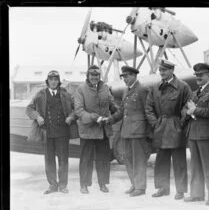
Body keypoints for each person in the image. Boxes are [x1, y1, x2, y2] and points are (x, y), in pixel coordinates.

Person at [145, 59, 192, 200]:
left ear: (172, 70)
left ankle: (180, 190)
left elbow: (188, 105)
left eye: (164, 70)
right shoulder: (155, 88)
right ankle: (162, 188)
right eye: (160, 70)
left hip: (176, 127)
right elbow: (149, 108)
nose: (161, 73)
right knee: (161, 161)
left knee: (179, 161)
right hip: (161, 128)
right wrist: (155, 124)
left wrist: (180, 123)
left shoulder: (183, 87)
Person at [26, 70, 78, 194]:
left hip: (63, 133)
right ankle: (53, 185)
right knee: (49, 160)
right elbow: (29, 108)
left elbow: (77, 108)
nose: (53, 82)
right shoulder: (40, 94)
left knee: (63, 160)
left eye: (55, 80)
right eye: (51, 79)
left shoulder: (66, 94)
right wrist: (37, 116)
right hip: (47, 133)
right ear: (47, 81)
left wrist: (71, 116)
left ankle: (63, 185)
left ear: (58, 81)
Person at [104, 66, 150, 197]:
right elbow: (122, 111)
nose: (124, 79)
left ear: (134, 76)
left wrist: (148, 131)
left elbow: (148, 110)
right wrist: (110, 119)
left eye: (127, 76)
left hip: (138, 131)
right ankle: (135, 184)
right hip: (126, 130)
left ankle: (141, 187)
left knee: (139, 159)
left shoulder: (142, 90)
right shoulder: (126, 91)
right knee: (128, 159)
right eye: (123, 77)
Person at [74, 65, 118, 194]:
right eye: (92, 75)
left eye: (97, 75)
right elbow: (79, 110)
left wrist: (119, 112)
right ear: (87, 76)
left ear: (100, 76)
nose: (94, 77)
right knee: (86, 159)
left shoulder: (105, 87)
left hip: (103, 130)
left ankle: (103, 183)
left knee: (104, 158)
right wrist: (93, 117)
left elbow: (111, 103)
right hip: (87, 131)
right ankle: (84, 184)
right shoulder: (81, 89)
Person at [182, 63, 209, 205]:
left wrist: (194, 110)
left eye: (201, 75)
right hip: (193, 134)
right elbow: (187, 110)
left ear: (208, 75)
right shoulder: (194, 93)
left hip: (206, 135)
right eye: (196, 75)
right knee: (195, 166)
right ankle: (197, 194)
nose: (198, 77)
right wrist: (189, 112)